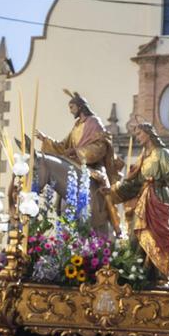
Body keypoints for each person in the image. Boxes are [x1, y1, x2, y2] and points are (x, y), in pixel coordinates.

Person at [105, 123, 169, 277]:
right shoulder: (142, 157)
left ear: (148, 133)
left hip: (159, 197)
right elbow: (132, 182)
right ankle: (137, 273)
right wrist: (113, 190)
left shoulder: (162, 153)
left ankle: (157, 275)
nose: (137, 138)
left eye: (139, 134)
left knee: (157, 238)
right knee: (136, 237)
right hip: (143, 201)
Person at [34, 90, 122, 231]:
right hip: (76, 164)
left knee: (104, 185)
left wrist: (79, 152)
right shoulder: (76, 126)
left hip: (92, 165)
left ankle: (115, 222)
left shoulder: (94, 122)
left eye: (72, 107)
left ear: (80, 107)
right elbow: (63, 146)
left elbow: (101, 146)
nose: (70, 111)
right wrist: (45, 139)